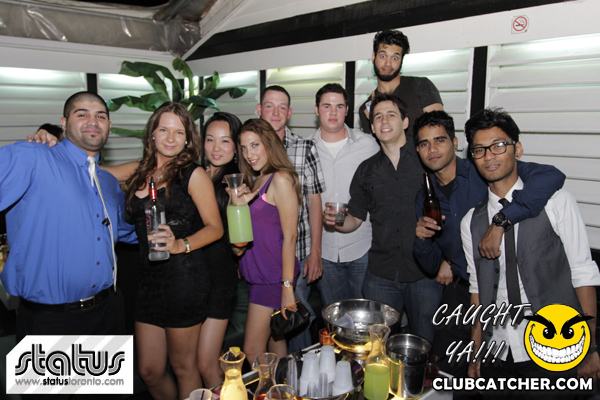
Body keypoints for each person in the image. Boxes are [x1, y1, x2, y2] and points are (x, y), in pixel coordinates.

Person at [412, 111, 566, 379]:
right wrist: (423, 241)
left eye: (440, 140)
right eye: (424, 143)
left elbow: (551, 176)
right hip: (460, 288)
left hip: (498, 289)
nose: (432, 149)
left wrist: (501, 221)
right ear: (418, 150)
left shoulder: (484, 167)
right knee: (446, 372)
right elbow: (430, 265)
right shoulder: (423, 196)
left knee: (498, 370)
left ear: (455, 143)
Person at [460, 108, 600, 392]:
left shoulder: (557, 202)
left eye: (499, 145)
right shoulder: (470, 221)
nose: (489, 156)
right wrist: (476, 350)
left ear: (518, 149)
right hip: (497, 350)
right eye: (479, 150)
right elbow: (477, 288)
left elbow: (583, 274)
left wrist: (589, 347)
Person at [0, 91, 136, 342]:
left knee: (109, 372)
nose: (93, 121)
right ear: (63, 123)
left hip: (108, 312)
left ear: (109, 126)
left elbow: (125, 231)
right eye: (82, 114)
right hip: (50, 320)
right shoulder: (34, 157)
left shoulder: (107, 182)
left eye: (100, 116)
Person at [325, 94, 442, 342]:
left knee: (426, 343)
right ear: (372, 127)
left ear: (405, 122)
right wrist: (337, 220)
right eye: (378, 117)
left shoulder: (427, 161)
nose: (384, 121)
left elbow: (453, 211)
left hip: (424, 273)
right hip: (381, 275)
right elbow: (355, 218)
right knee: (378, 347)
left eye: (391, 115)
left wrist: (450, 261)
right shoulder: (366, 170)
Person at [126, 102, 223, 399]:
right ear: (152, 134)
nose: (170, 138)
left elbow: (215, 228)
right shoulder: (139, 172)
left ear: (187, 138)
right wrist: (51, 141)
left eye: (179, 132)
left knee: (183, 367)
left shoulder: (193, 174)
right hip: (147, 282)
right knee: (150, 371)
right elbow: (90, 167)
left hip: (183, 281)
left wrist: (181, 244)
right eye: (164, 130)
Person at [257, 85, 326, 351]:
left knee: (295, 320)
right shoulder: (250, 149)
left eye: (282, 107)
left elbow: (314, 201)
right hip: (263, 258)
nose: (275, 112)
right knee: (267, 330)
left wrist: (315, 251)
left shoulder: (304, 147)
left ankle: (302, 373)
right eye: (269, 106)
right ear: (259, 109)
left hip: (297, 254)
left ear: (289, 113)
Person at [233, 118, 302, 365]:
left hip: (273, 277)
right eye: (244, 147)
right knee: (275, 341)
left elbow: (290, 236)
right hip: (258, 275)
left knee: (252, 351)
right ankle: (282, 384)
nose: (249, 154)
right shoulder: (257, 179)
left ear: (269, 144)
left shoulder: (280, 178)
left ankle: (270, 386)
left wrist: (287, 287)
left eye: (255, 145)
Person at [309, 83, 379, 307]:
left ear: (347, 110)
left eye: (339, 106)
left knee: (366, 314)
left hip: (362, 246)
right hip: (325, 250)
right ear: (316, 109)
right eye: (326, 106)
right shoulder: (306, 149)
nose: (333, 112)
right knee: (335, 316)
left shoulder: (368, 145)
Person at [197, 112, 241, 387]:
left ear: (236, 146)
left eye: (225, 141)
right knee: (190, 362)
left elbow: (239, 245)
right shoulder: (197, 175)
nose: (216, 147)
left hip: (219, 279)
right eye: (210, 139)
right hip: (192, 277)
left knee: (205, 363)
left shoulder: (234, 184)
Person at [358, 29, 443, 136]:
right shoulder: (366, 109)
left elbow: (439, 132)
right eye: (383, 56)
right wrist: (373, 119)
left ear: (401, 61)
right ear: (373, 57)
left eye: (395, 58)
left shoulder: (421, 86)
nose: (388, 63)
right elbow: (374, 145)